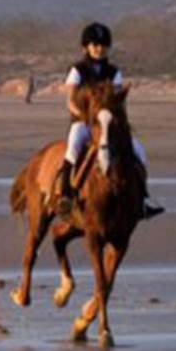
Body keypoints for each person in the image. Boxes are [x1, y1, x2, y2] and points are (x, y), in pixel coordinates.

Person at [56, 22, 164, 220]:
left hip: (108, 125)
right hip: (83, 123)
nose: (100, 48)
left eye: (103, 45)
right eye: (95, 44)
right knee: (72, 148)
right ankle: (66, 196)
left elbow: (117, 101)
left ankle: (143, 199)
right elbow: (70, 101)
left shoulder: (114, 72)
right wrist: (83, 116)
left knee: (138, 150)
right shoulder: (77, 70)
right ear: (86, 47)